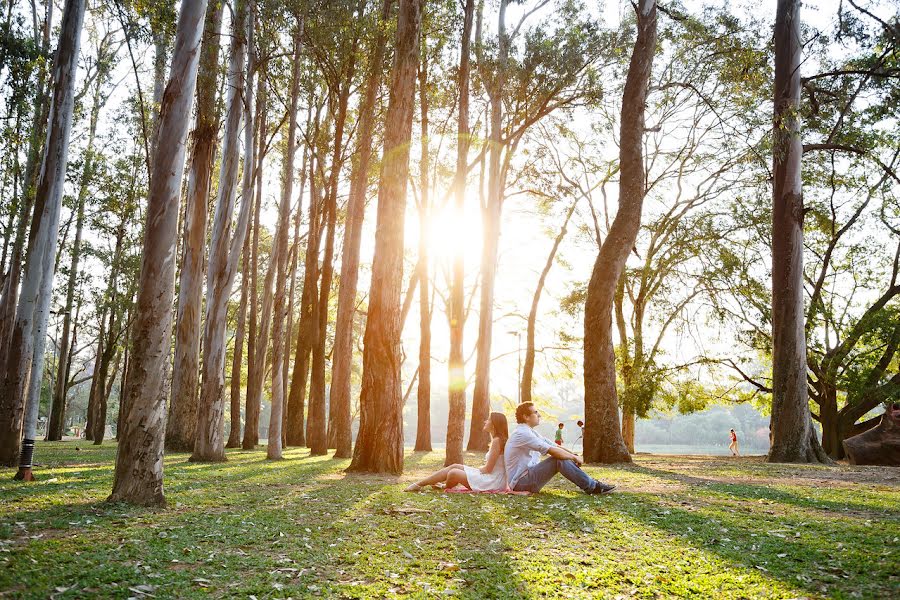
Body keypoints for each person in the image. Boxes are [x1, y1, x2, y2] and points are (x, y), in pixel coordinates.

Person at [505, 402, 615, 495]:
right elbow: (552, 451)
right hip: (521, 482)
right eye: (536, 412)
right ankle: (592, 486)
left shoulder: (529, 431)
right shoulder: (523, 433)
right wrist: (574, 458)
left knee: (559, 457)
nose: (539, 415)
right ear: (526, 417)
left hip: (527, 477)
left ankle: (592, 484)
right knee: (558, 459)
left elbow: (553, 445)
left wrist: (573, 455)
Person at [405, 412, 509, 492]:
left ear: (494, 424)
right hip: (491, 477)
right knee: (455, 466)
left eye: (489, 420)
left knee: (453, 472)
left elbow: (487, 469)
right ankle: (419, 484)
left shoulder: (497, 441)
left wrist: (472, 471)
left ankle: (439, 485)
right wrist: (470, 471)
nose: (485, 421)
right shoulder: (498, 439)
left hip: (492, 482)